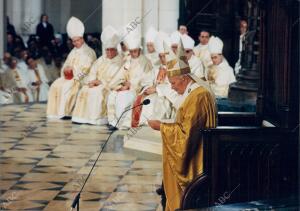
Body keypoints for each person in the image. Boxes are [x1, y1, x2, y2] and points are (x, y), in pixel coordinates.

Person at [148, 44, 217, 211]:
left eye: (172, 82)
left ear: (184, 78)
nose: (171, 86)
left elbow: (187, 136)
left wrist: (161, 127)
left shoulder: (198, 96)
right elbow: (188, 124)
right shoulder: (194, 91)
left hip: (196, 159)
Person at [72, 26, 123, 125]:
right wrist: (92, 81)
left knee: (97, 92)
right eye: (107, 50)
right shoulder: (102, 59)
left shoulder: (120, 61)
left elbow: (118, 77)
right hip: (96, 83)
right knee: (85, 89)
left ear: (116, 49)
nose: (109, 52)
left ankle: (96, 119)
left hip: (107, 86)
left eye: (111, 50)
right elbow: (93, 71)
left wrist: (101, 82)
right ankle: (82, 118)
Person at [47, 16, 96, 119]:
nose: (75, 43)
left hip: (81, 78)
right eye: (73, 41)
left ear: (82, 39)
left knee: (66, 87)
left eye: (77, 41)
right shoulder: (73, 51)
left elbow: (87, 69)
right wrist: (65, 70)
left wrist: (74, 75)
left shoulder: (89, 52)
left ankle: (66, 112)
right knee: (55, 85)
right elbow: (66, 64)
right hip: (69, 77)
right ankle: (55, 113)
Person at [107, 30, 153, 129]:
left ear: (139, 50)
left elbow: (145, 78)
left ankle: (123, 123)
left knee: (125, 97)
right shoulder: (128, 60)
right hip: (126, 87)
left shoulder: (144, 61)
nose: (132, 53)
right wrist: (120, 85)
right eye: (131, 51)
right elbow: (121, 75)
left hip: (136, 89)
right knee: (112, 95)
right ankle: (113, 122)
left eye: (135, 51)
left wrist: (130, 84)